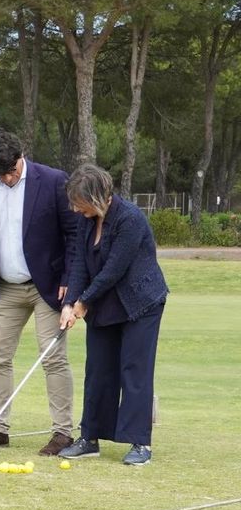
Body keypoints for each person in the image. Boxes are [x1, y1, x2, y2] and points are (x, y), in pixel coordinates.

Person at [0, 129, 81, 456]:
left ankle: (62, 433)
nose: (8, 178)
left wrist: (70, 281)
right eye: (0, 174)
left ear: (21, 156)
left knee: (52, 356)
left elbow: (74, 235)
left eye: (12, 171)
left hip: (49, 286)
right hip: (4, 287)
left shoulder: (55, 181)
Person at [58, 164, 168, 466]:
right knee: (98, 370)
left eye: (79, 202)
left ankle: (140, 443)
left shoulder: (129, 219)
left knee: (134, 371)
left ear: (96, 197)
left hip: (140, 303)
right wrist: (69, 302)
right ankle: (89, 437)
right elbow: (79, 263)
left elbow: (113, 271)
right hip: (104, 303)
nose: (74, 208)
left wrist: (84, 301)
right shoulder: (85, 220)